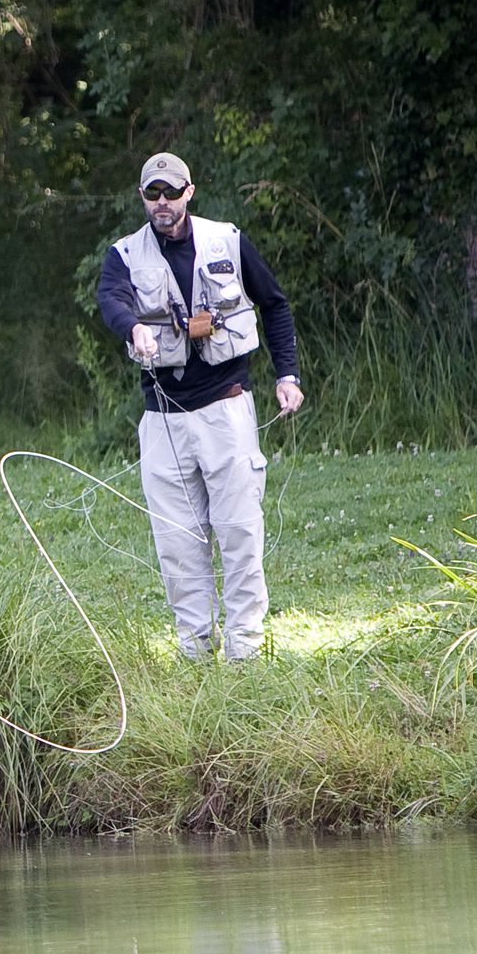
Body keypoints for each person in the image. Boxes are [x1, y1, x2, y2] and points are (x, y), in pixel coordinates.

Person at [96, 151, 304, 661]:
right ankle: (193, 650)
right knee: (178, 543)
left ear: (189, 192)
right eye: (152, 194)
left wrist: (287, 374)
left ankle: (246, 652)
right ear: (142, 197)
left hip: (226, 410)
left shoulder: (227, 240)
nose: (162, 203)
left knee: (238, 530)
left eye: (171, 192)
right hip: (163, 420)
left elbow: (274, 303)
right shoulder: (123, 255)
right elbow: (111, 300)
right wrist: (135, 328)